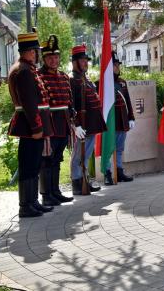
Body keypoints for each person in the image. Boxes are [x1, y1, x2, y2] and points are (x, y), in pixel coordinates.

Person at [8, 31, 55, 217]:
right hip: (30, 128)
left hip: (31, 127)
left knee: (33, 165)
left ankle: (32, 201)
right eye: (35, 51)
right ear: (27, 51)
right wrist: (37, 128)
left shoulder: (28, 69)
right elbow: (29, 103)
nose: (36, 55)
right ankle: (25, 206)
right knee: (29, 166)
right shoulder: (23, 71)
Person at [37, 35, 74, 206]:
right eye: (50, 57)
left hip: (64, 123)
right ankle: (46, 194)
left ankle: (56, 191)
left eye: (56, 57)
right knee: (47, 159)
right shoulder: (40, 77)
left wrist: (72, 115)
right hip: (50, 124)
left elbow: (69, 100)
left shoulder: (65, 76)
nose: (54, 60)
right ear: (44, 59)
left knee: (58, 159)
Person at [70, 44, 106, 195]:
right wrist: (76, 125)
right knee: (79, 154)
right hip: (82, 125)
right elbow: (71, 104)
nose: (85, 63)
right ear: (75, 62)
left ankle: (84, 179)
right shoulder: (73, 80)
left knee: (86, 154)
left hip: (91, 124)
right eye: (82, 60)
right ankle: (77, 183)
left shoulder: (85, 78)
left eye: (86, 60)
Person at [101, 52, 135, 185]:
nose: (116, 67)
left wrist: (131, 117)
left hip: (122, 120)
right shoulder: (102, 83)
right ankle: (108, 173)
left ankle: (119, 171)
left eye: (117, 65)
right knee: (109, 148)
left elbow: (128, 101)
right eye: (114, 65)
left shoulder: (122, 83)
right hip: (110, 122)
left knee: (120, 148)